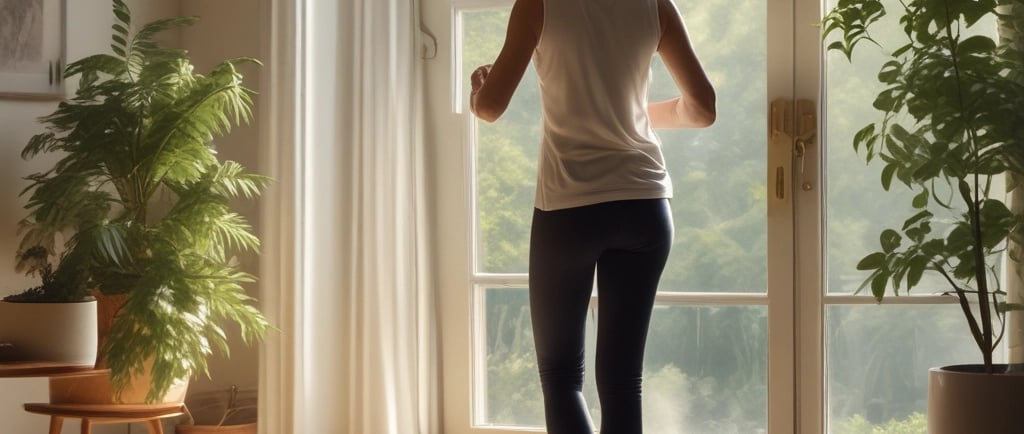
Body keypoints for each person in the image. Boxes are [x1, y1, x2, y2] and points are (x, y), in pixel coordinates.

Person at [470, 0, 716, 432]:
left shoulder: (537, 5)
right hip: (645, 206)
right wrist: (631, 114)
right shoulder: (655, 6)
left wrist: (477, 91)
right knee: (623, 381)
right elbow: (702, 108)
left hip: (569, 209)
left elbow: (490, 108)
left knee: (562, 377)